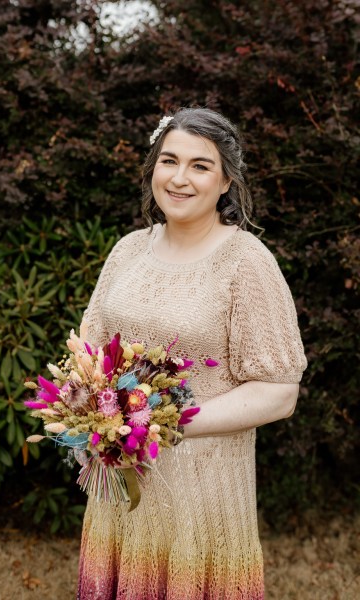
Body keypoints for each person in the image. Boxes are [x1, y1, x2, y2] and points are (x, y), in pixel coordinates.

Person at [77, 107, 307, 600]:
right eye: (169, 161)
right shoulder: (128, 250)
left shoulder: (246, 263)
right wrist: (90, 412)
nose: (179, 179)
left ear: (226, 181)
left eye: (200, 166)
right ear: (152, 169)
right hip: (119, 488)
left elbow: (280, 391)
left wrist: (163, 422)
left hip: (202, 494)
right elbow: (89, 349)